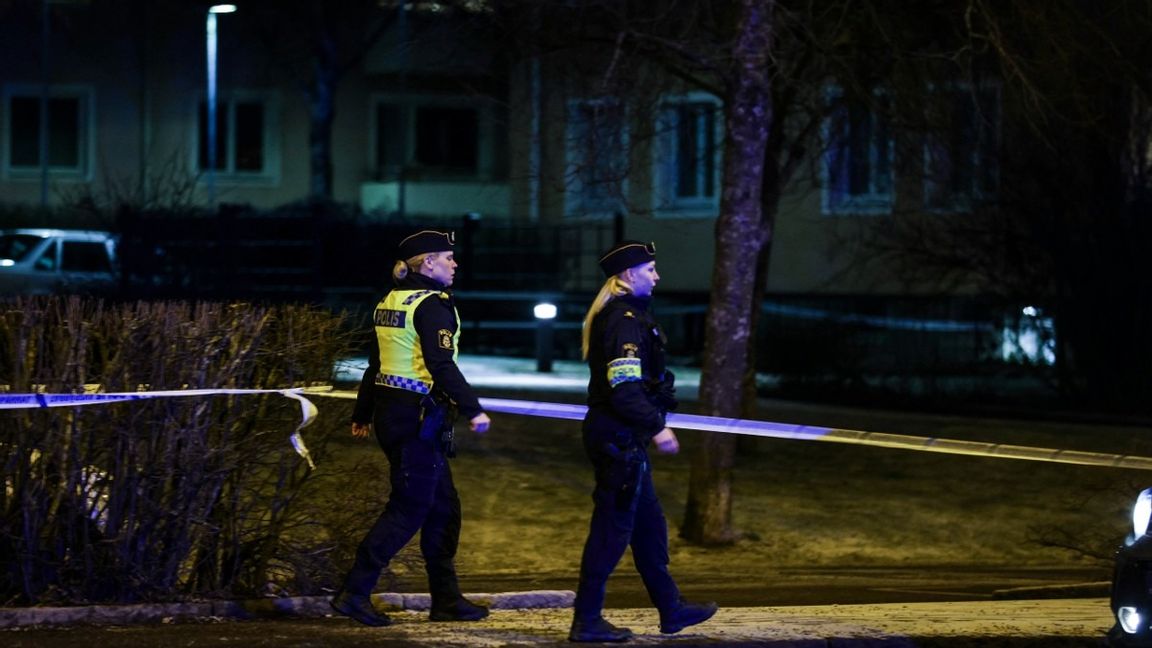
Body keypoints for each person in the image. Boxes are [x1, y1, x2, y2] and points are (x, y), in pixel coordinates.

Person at [331, 229, 492, 627]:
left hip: (396, 414)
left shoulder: (391, 300)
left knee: (442, 508)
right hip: (416, 419)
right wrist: (474, 409)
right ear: (428, 263)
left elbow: (376, 363)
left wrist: (362, 413)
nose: (455, 264)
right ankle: (354, 592)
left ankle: (447, 599)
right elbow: (441, 365)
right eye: (448, 258)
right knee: (409, 508)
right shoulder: (432, 305)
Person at [569, 240, 719, 642]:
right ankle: (586, 621)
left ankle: (671, 610)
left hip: (626, 439)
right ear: (628, 275)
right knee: (611, 531)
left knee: (649, 527)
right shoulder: (623, 321)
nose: (657, 276)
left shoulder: (630, 316)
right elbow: (624, 388)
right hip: (618, 438)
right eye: (650, 269)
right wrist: (658, 425)